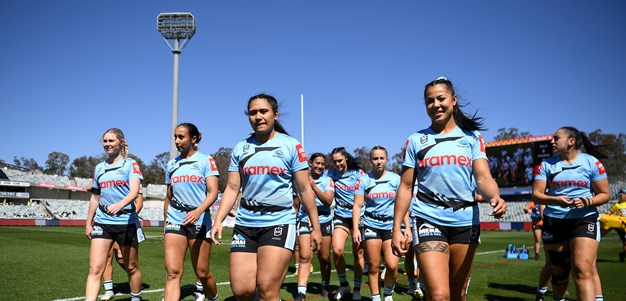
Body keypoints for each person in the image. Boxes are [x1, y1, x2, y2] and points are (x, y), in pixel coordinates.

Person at [391, 77, 507, 301]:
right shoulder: (416, 140)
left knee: (458, 294)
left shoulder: (473, 138)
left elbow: (483, 176)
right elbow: (406, 186)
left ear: (453, 100)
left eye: (441, 98)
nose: (435, 105)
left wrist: (495, 197)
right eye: (429, 101)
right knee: (439, 295)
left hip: (465, 221)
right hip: (428, 217)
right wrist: (397, 227)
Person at [210, 93, 322, 301]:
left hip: (279, 221)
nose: (258, 117)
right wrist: (218, 220)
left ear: (275, 115)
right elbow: (233, 187)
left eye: (263, 111)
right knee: (242, 291)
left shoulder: (291, 145)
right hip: (246, 222)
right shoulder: (241, 148)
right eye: (253, 113)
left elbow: (304, 189)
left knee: (267, 289)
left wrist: (315, 226)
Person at [532, 126, 610, 301]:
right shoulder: (545, 165)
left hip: (584, 219)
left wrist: (587, 201)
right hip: (554, 221)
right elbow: (536, 195)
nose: (552, 141)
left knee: (582, 269)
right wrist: (556, 200)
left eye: (556, 138)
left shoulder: (592, 163)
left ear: (571, 142)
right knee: (558, 272)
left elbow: (605, 195)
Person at [85, 128, 144, 301]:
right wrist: (89, 222)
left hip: (126, 222)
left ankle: (136, 298)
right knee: (95, 268)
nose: (107, 144)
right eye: (105, 141)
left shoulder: (130, 164)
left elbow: (134, 192)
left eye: (111, 141)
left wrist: (119, 205)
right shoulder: (99, 168)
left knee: (131, 266)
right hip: (103, 222)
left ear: (121, 143)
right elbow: (95, 196)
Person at [163, 123, 220, 301]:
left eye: (181, 137)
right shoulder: (172, 164)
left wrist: (198, 211)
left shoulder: (206, 160)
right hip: (175, 219)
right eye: (175, 137)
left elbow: (213, 192)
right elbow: (168, 198)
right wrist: (166, 226)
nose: (177, 141)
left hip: (199, 220)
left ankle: (213, 298)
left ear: (193, 139)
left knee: (202, 273)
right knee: (172, 272)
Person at [353, 146, 410, 301]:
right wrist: (356, 229)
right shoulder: (364, 180)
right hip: (371, 225)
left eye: (381, 158)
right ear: (370, 160)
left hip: (392, 227)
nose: (379, 161)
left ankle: (388, 294)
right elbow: (357, 206)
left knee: (392, 266)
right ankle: (376, 298)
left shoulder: (396, 179)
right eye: (375, 158)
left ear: (386, 159)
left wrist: (408, 228)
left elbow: (402, 205)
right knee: (373, 266)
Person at [294, 153, 336, 301]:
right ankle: (301, 291)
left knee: (324, 258)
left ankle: (325, 284)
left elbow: (328, 201)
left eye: (322, 164)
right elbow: (297, 201)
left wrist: (313, 186)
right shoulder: (300, 180)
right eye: (317, 163)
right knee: (305, 256)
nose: (319, 166)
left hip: (324, 220)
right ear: (310, 163)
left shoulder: (328, 180)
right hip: (305, 219)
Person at [327, 146, 365, 300]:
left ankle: (356, 289)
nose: (338, 164)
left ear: (346, 158)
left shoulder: (358, 174)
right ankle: (344, 285)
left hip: (359, 217)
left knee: (358, 253)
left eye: (340, 161)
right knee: (336, 250)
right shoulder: (331, 174)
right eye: (335, 161)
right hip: (341, 216)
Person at [101, 191, 144, 301]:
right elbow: (91, 189)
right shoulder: (104, 176)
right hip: (106, 222)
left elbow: (139, 202)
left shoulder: (132, 178)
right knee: (107, 257)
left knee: (124, 260)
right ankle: (109, 290)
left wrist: (130, 217)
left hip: (124, 223)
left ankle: (135, 291)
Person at [600, 189, 626, 262]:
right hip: (622, 226)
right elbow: (609, 213)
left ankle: (623, 254)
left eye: (621, 195)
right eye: (619, 196)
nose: (619, 197)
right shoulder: (616, 205)